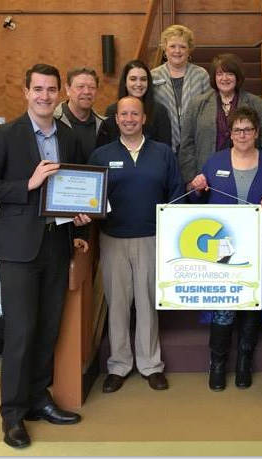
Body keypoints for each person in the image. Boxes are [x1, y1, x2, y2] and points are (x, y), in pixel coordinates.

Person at [0, 63, 91, 449]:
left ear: (61, 94)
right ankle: (13, 414)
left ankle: (40, 399)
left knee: (47, 330)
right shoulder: (6, 135)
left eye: (51, 89)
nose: (44, 96)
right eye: (37, 89)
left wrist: (79, 216)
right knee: (21, 333)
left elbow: (73, 186)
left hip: (56, 246)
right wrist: (29, 184)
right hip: (19, 250)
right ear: (26, 92)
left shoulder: (68, 138)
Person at [190, 106, 262, 391]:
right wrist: (197, 187)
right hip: (223, 248)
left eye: (248, 129)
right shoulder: (215, 162)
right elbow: (198, 203)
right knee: (224, 305)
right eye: (237, 130)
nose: (243, 135)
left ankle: (245, 361)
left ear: (257, 133)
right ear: (229, 134)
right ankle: (218, 362)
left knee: (250, 306)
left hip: (259, 244)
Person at [89, 96, 184, 394]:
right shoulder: (101, 155)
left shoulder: (163, 153)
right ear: (116, 120)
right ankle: (118, 365)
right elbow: (90, 198)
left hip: (151, 238)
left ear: (144, 118)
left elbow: (176, 193)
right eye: (123, 114)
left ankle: (150, 365)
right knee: (117, 305)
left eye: (135, 113)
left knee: (146, 304)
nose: (129, 118)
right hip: (113, 239)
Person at [179, 53, 262, 188]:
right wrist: (192, 179)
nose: (224, 78)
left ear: (237, 76)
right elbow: (187, 144)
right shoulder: (197, 104)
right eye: (219, 74)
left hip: (247, 177)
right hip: (205, 180)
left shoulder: (256, 104)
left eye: (230, 74)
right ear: (214, 77)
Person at [151, 24, 211, 154]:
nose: (177, 51)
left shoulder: (201, 75)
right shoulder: (153, 76)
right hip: (162, 143)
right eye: (172, 46)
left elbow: (209, 110)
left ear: (189, 50)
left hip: (195, 144)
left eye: (182, 47)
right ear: (165, 49)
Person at [96, 60, 171, 148]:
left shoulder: (159, 111)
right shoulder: (112, 110)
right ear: (125, 82)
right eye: (133, 79)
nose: (138, 84)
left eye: (143, 79)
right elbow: (108, 147)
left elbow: (165, 147)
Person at [54, 67, 105, 158]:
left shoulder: (105, 126)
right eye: (80, 87)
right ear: (67, 89)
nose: (87, 92)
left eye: (92, 87)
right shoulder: (52, 121)